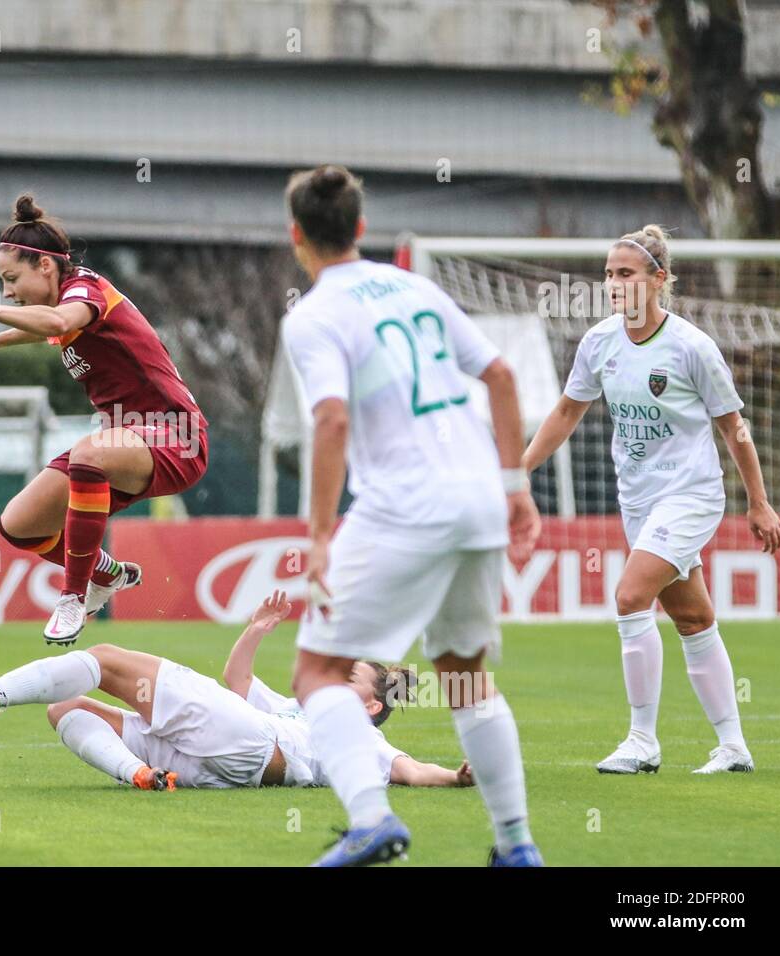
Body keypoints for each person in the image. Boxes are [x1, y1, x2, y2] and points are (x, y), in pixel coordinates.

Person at [280, 164, 543, 867]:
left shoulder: (312, 316)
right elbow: (503, 377)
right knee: (464, 676)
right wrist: (516, 487)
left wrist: (317, 534)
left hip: (406, 502)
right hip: (480, 495)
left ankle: (372, 820)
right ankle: (517, 846)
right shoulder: (416, 286)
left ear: (295, 235)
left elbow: (332, 421)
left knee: (318, 674)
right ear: (361, 228)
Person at [522, 225, 780, 775]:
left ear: (658, 280)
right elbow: (568, 411)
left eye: (626, 274)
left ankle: (642, 742)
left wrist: (759, 503)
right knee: (691, 615)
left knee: (629, 594)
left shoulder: (691, 347)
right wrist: (517, 471)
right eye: (609, 274)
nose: (614, 284)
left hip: (690, 495)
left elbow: (734, 428)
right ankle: (733, 747)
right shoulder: (598, 343)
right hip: (637, 500)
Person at [0, 194, 208, 645]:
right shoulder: (66, 307)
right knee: (19, 525)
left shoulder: (86, 291)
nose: (7, 290)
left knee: (89, 451)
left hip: (178, 436)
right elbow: (46, 326)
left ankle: (73, 597)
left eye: (11, 279)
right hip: (127, 443)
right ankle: (105, 573)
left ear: (45, 267)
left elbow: (54, 321)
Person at [0, 591, 475, 792]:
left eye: (350, 678)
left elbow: (411, 770)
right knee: (66, 707)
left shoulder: (361, 738)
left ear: (371, 706)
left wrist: (455, 775)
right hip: (226, 765)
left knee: (103, 659)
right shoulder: (305, 710)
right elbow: (240, 685)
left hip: (251, 743)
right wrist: (254, 632)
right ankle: (140, 775)